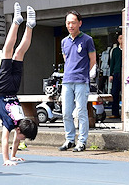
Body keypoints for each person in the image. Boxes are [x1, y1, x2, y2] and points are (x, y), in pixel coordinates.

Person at [0, 2, 38, 166]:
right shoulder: (11, 123)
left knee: (20, 52)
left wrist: (13, 157)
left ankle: (29, 26)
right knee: (8, 49)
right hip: (5, 87)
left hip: (14, 88)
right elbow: (5, 140)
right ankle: (16, 21)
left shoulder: (21, 119)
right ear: (19, 130)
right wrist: (6, 159)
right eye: (24, 136)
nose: (23, 140)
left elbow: (15, 140)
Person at [58, 10, 96, 152]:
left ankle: (82, 141)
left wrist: (83, 73)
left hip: (81, 81)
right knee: (66, 112)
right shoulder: (64, 41)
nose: (70, 25)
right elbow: (66, 60)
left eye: (73, 22)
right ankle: (69, 140)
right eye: (68, 22)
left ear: (79, 23)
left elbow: (92, 60)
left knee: (81, 112)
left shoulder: (87, 40)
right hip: (67, 80)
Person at [109, 33, 122, 119]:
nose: (122, 40)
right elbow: (112, 63)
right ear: (118, 40)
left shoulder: (128, 50)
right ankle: (115, 113)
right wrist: (111, 74)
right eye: (120, 38)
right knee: (115, 93)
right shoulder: (115, 50)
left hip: (125, 73)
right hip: (116, 73)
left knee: (125, 94)